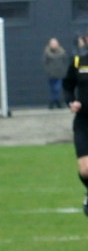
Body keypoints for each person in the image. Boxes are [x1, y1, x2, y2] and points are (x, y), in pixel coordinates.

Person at [62, 47, 88, 215]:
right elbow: (67, 86)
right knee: (85, 169)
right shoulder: (79, 62)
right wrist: (71, 102)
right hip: (83, 122)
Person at [44, 38, 68, 109]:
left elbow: (65, 62)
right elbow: (45, 63)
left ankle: (53, 101)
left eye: (55, 43)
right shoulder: (47, 53)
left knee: (56, 88)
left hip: (60, 74)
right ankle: (56, 101)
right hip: (51, 74)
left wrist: (64, 70)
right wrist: (48, 71)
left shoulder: (62, 52)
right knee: (53, 89)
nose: (54, 44)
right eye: (52, 43)